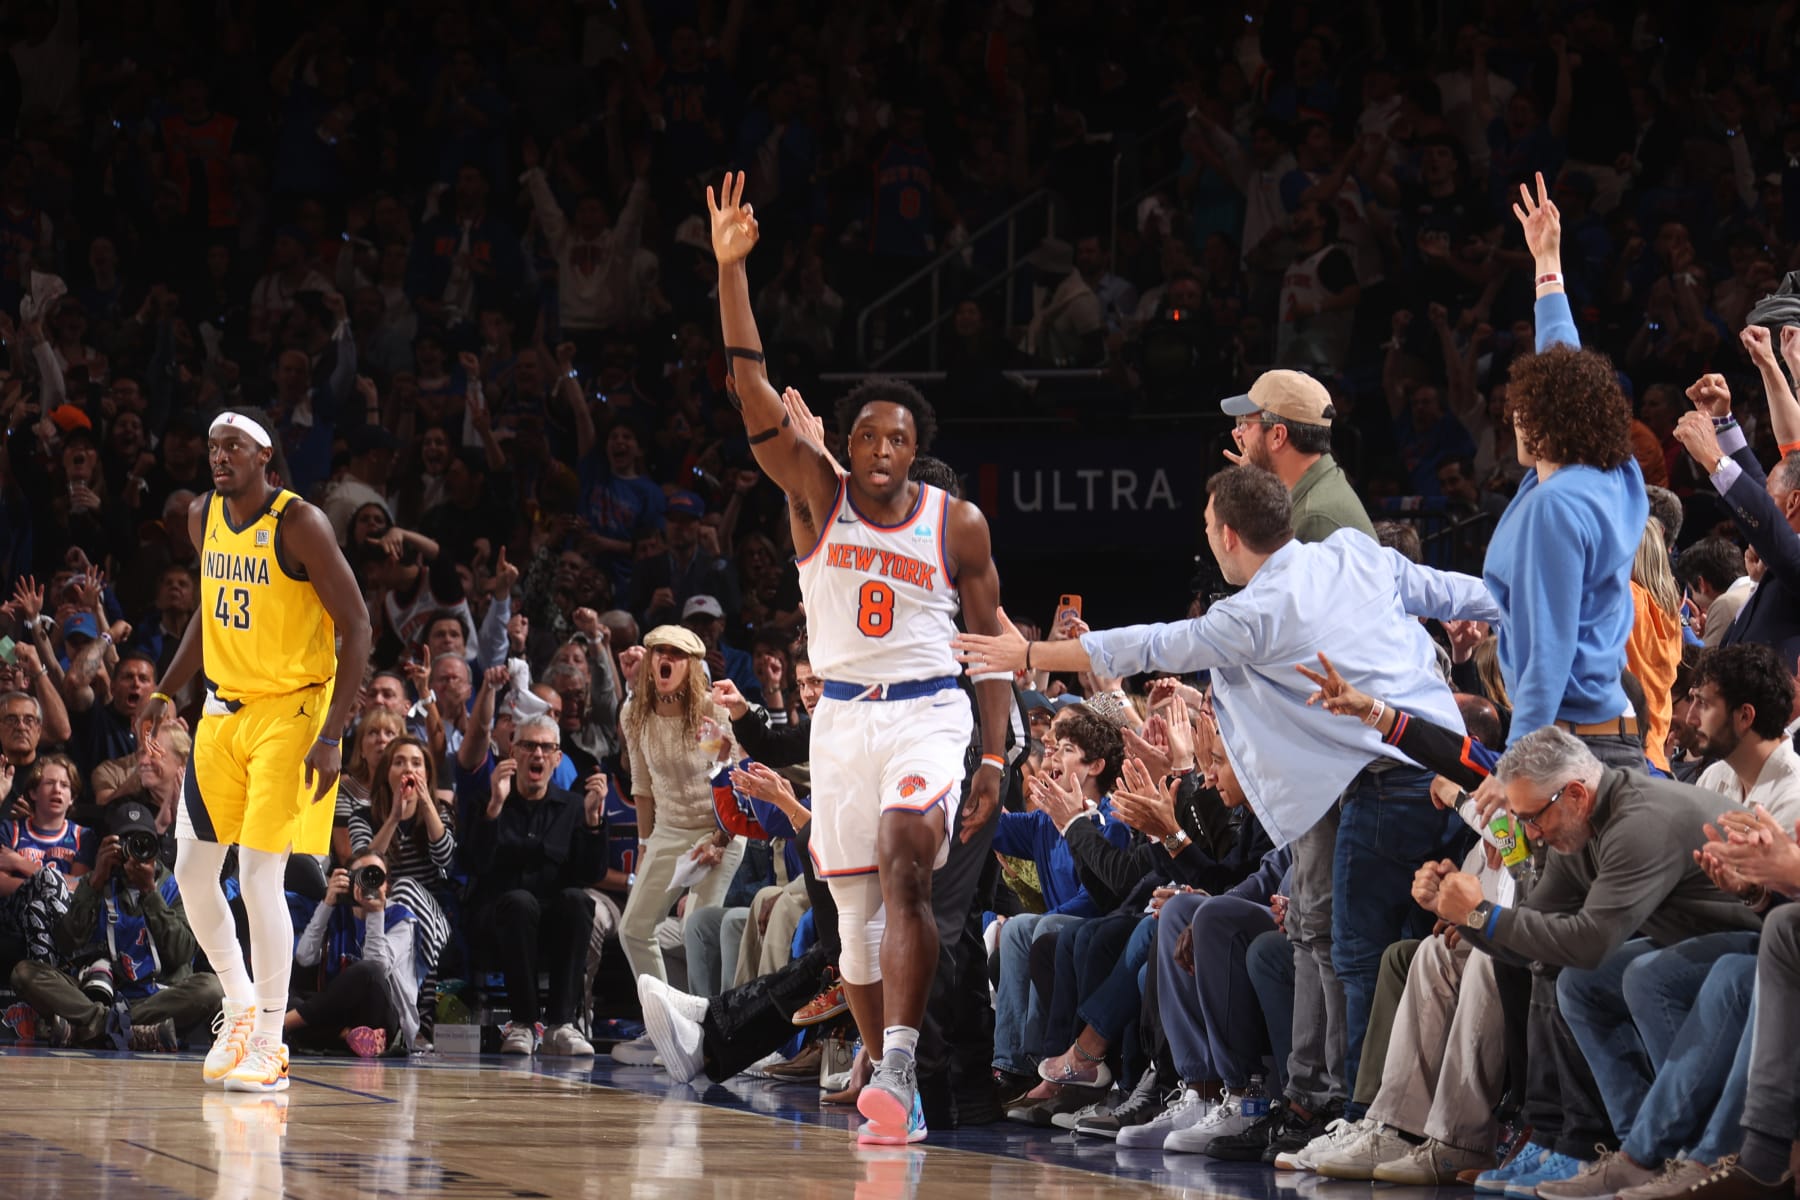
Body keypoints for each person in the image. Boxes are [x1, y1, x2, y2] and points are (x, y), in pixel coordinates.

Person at [955, 465, 1490, 1153]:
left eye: (1208, 527)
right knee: (1317, 941)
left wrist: (1028, 650)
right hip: (1392, 770)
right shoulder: (1350, 553)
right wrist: (1544, 604)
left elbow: (1147, 643)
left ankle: (1363, 1117)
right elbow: (1457, 591)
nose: (1207, 537)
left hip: (1386, 776)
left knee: (1350, 952)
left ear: (1228, 536)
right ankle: (1318, 1106)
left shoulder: (1255, 613)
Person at [710, 171, 1012, 1146]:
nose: (883, 447)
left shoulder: (954, 523)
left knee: (904, 871)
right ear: (848, 444)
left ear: (916, 453)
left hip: (929, 709)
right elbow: (746, 385)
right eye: (868, 434)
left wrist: (999, 756)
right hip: (841, 718)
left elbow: (994, 644)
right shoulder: (814, 495)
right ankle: (894, 1095)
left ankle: (898, 1061)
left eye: (901, 438)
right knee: (853, 925)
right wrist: (731, 272)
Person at [137, 408, 372, 1093]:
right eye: (212, 445)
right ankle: (239, 1005)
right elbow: (210, 616)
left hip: (292, 714)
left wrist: (332, 733)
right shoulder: (201, 515)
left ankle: (271, 1040)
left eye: (233, 445)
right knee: (192, 869)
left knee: (262, 875)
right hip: (221, 713)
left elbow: (356, 625)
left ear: (266, 455)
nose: (219, 455)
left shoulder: (300, 523)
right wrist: (164, 691)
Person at [8, 798, 221, 1051]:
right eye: (125, 842)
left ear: (155, 846)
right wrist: (95, 883)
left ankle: (90, 1030)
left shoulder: (175, 887)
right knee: (24, 973)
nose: (134, 851)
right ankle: (133, 1032)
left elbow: (182, 953)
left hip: (158, 997)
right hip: (100, 995)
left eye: (142, 842)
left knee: (210, 987)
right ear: (110, 845)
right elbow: (67, 942)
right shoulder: (98, 880)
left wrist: (150, 895)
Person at [466, 715, 608, 1056]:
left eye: (546, 747)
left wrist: (592, 822)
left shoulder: (574, 806)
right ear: (512, 752)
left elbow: (591, 874)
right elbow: (473, 864)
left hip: (553, 923)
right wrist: (495, 808)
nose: (538, 754)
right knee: (519, 902)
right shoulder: (486, 800)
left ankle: (562, 1024)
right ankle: (524, 1024)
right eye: (529, 745)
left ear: (558, 758)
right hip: (500, 923)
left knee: (578, 901)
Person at [290, 850, 421, 1057]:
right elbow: (304, 958)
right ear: (348, 880)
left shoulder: (401, 919)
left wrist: (376, 914)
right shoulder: (337, 911)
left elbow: (377, 967)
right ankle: (347, 1036)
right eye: (361, 875)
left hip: (379, 1016)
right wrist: (327, 903)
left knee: (367, 970)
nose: (368, 882)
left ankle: (288, 1025)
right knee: (288, 994)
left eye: (375, 876)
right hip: (338, 1014)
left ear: (386, 885)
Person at [1220, 369, 1374, 543]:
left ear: (1278, 436)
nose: (1238, 433)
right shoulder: (1318, 488)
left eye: (1244, 423)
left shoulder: (1313, 520)